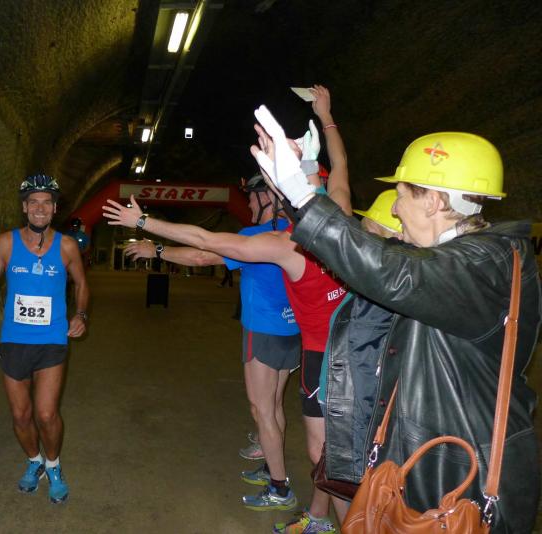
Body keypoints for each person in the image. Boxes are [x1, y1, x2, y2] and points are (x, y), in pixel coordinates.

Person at [252, 106, 541, 533]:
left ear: (435, 202)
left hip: (459, 475)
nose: (396, 210)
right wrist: (306, 182)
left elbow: (391, 271)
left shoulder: (483, 265)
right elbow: (369, 254)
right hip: (435, 456)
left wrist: (303, 196)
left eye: (402, 194)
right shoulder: (459, 259)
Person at [104, 85, 351, 534]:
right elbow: (342, 165)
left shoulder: (283, 242)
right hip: (338, 345)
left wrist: (143, 224)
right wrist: (326, 116)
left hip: (316, 352)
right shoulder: (342, 213)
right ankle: (314, 512)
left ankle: (288, 492)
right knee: (318, 441)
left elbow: (204, 244)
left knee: (307, 441)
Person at [124, 174, 302, 511]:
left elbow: (202, 255)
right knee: (276, 405)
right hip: (291, 330)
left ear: (267, 198)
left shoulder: (255, 236)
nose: (247, 202)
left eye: (252, 196)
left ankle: (280, 488)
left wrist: (156, 248)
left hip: (263, 330)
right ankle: (272, 467)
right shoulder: (292, 232)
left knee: (261, 409)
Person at [0, 173, 89, 505]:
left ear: (54, 208)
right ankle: (34, 460)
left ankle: (53, 466)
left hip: (52, 340)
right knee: (21, 416)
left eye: (46, 202)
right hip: (14, 340)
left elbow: (81, 284)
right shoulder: (5, 243)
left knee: (46, 414)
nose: (39, 208)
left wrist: (80, 314)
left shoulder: (67, 246)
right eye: (33, 202)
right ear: (24, 207)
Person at [315, 189, 402, 505]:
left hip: (354, 407)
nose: (361, 240)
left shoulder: (382, 288)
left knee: (349, 485)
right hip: (346, 399)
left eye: (368, 232)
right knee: (338, 476)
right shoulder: (374, 282)